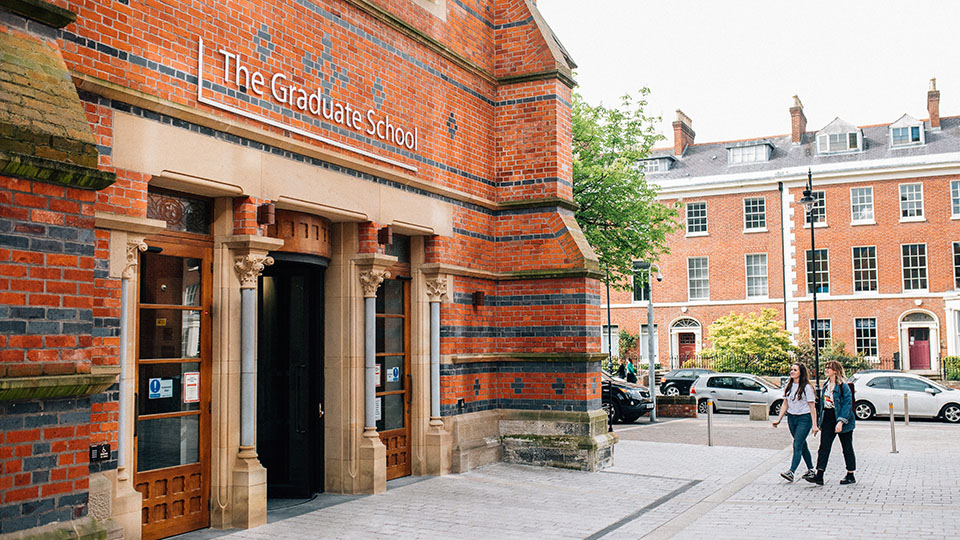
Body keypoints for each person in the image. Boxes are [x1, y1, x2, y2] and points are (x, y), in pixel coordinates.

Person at [805, 360, 857, 486]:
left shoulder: (843, 386)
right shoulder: (826, 385)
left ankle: (850, 474)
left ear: (835, 370)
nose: (826, 370)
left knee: (847, 447)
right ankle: (820, 475)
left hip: (841, 417)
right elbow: (822, 405)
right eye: (826, 367)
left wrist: (840, 422)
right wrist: (819, 422)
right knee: (824, 447)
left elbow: (847, 405)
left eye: (829, 368)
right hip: (828, 417)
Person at [771, 363, 819, 482]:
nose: (792, 372)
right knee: (802, 444)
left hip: (804, 418)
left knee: (797, 444)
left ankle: (791, 471)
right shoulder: (789, 386)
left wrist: (814, 425)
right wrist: (779, 419)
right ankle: (811, 469)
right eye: (791, 369)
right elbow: (785, 404)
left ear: (801, 373)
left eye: (795, 370)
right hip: (792, 418)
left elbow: (812, 406)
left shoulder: (807, 387)